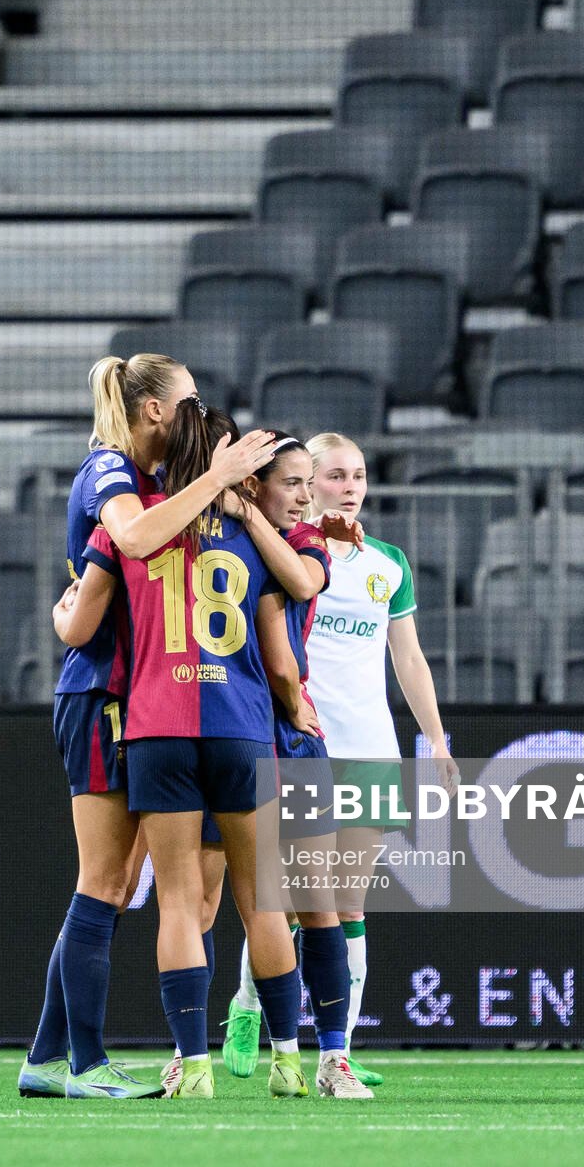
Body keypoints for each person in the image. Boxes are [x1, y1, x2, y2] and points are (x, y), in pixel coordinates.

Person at [16, 353, 277, 1100]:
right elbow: (130, 543)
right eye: (187, 401)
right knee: (103, 883)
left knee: (121, 881)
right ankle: (83, 1064)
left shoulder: (146, 482)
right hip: (104, 694)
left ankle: (45, 1056)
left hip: (137, 697)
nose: (198, 414)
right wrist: (219, 480)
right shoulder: (109, 473)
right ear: (154, 410)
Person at [222, 432, 457, 1089]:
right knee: (294, 904)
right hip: (304, 747)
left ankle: (339, 1050)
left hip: (371, 748)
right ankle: (248, 1007)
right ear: (305, 484)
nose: (348, 486)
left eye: (358, 474)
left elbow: (406, 657)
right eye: (333, 475)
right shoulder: (292, 551)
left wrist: (435, 738)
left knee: (349, 905)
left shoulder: (388, 561)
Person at [224, 431, 374, 1098]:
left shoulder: (306, 544)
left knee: (317, 904)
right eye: (293, 482)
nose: (306, 497)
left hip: (292, 735)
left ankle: (331, 1057)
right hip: (228, 729)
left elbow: (304, 581)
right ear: (253, 482)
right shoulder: (217, 540)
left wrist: (289, 694)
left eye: (308, 485)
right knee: (223, 901)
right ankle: (201, 1045)